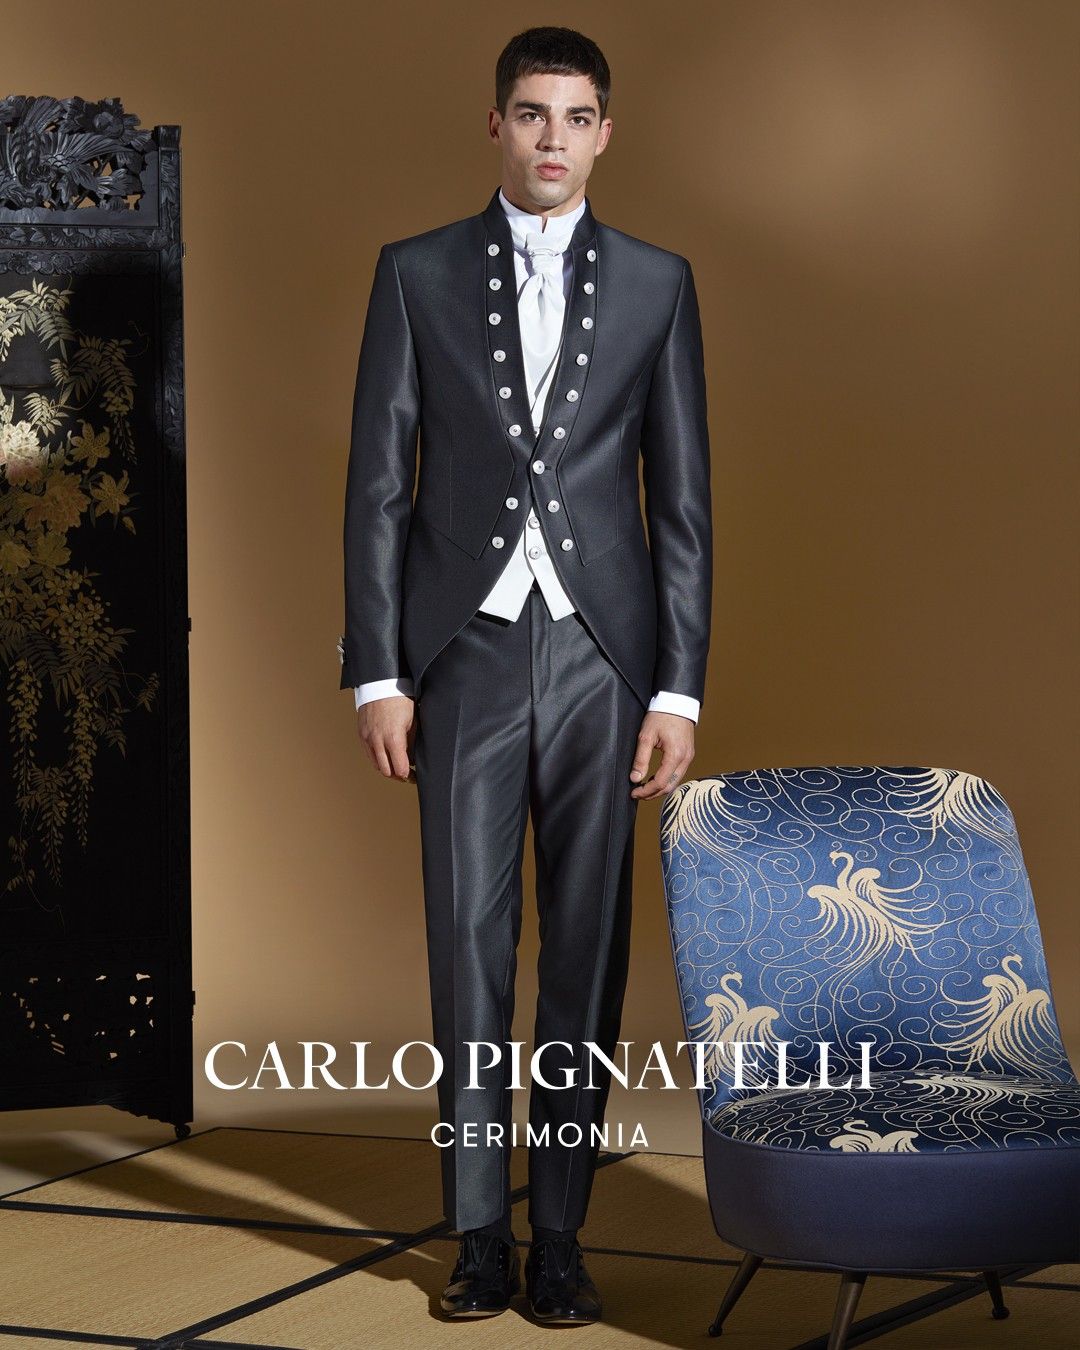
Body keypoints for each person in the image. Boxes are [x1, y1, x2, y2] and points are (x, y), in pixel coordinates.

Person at [339, 24, 712, 1325]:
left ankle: (559, 1234)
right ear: (496, 123)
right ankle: (476, 1236)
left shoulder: (661, 283)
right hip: (467, 653)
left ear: (606, 133)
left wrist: (677, 689)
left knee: (587, 951)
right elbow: (379, 485)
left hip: (607, 658)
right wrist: (378, 672)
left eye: (578, 115)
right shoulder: (415, 272)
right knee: (467, 941)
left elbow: (681, 502)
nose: (555, 136)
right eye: (533, 113)